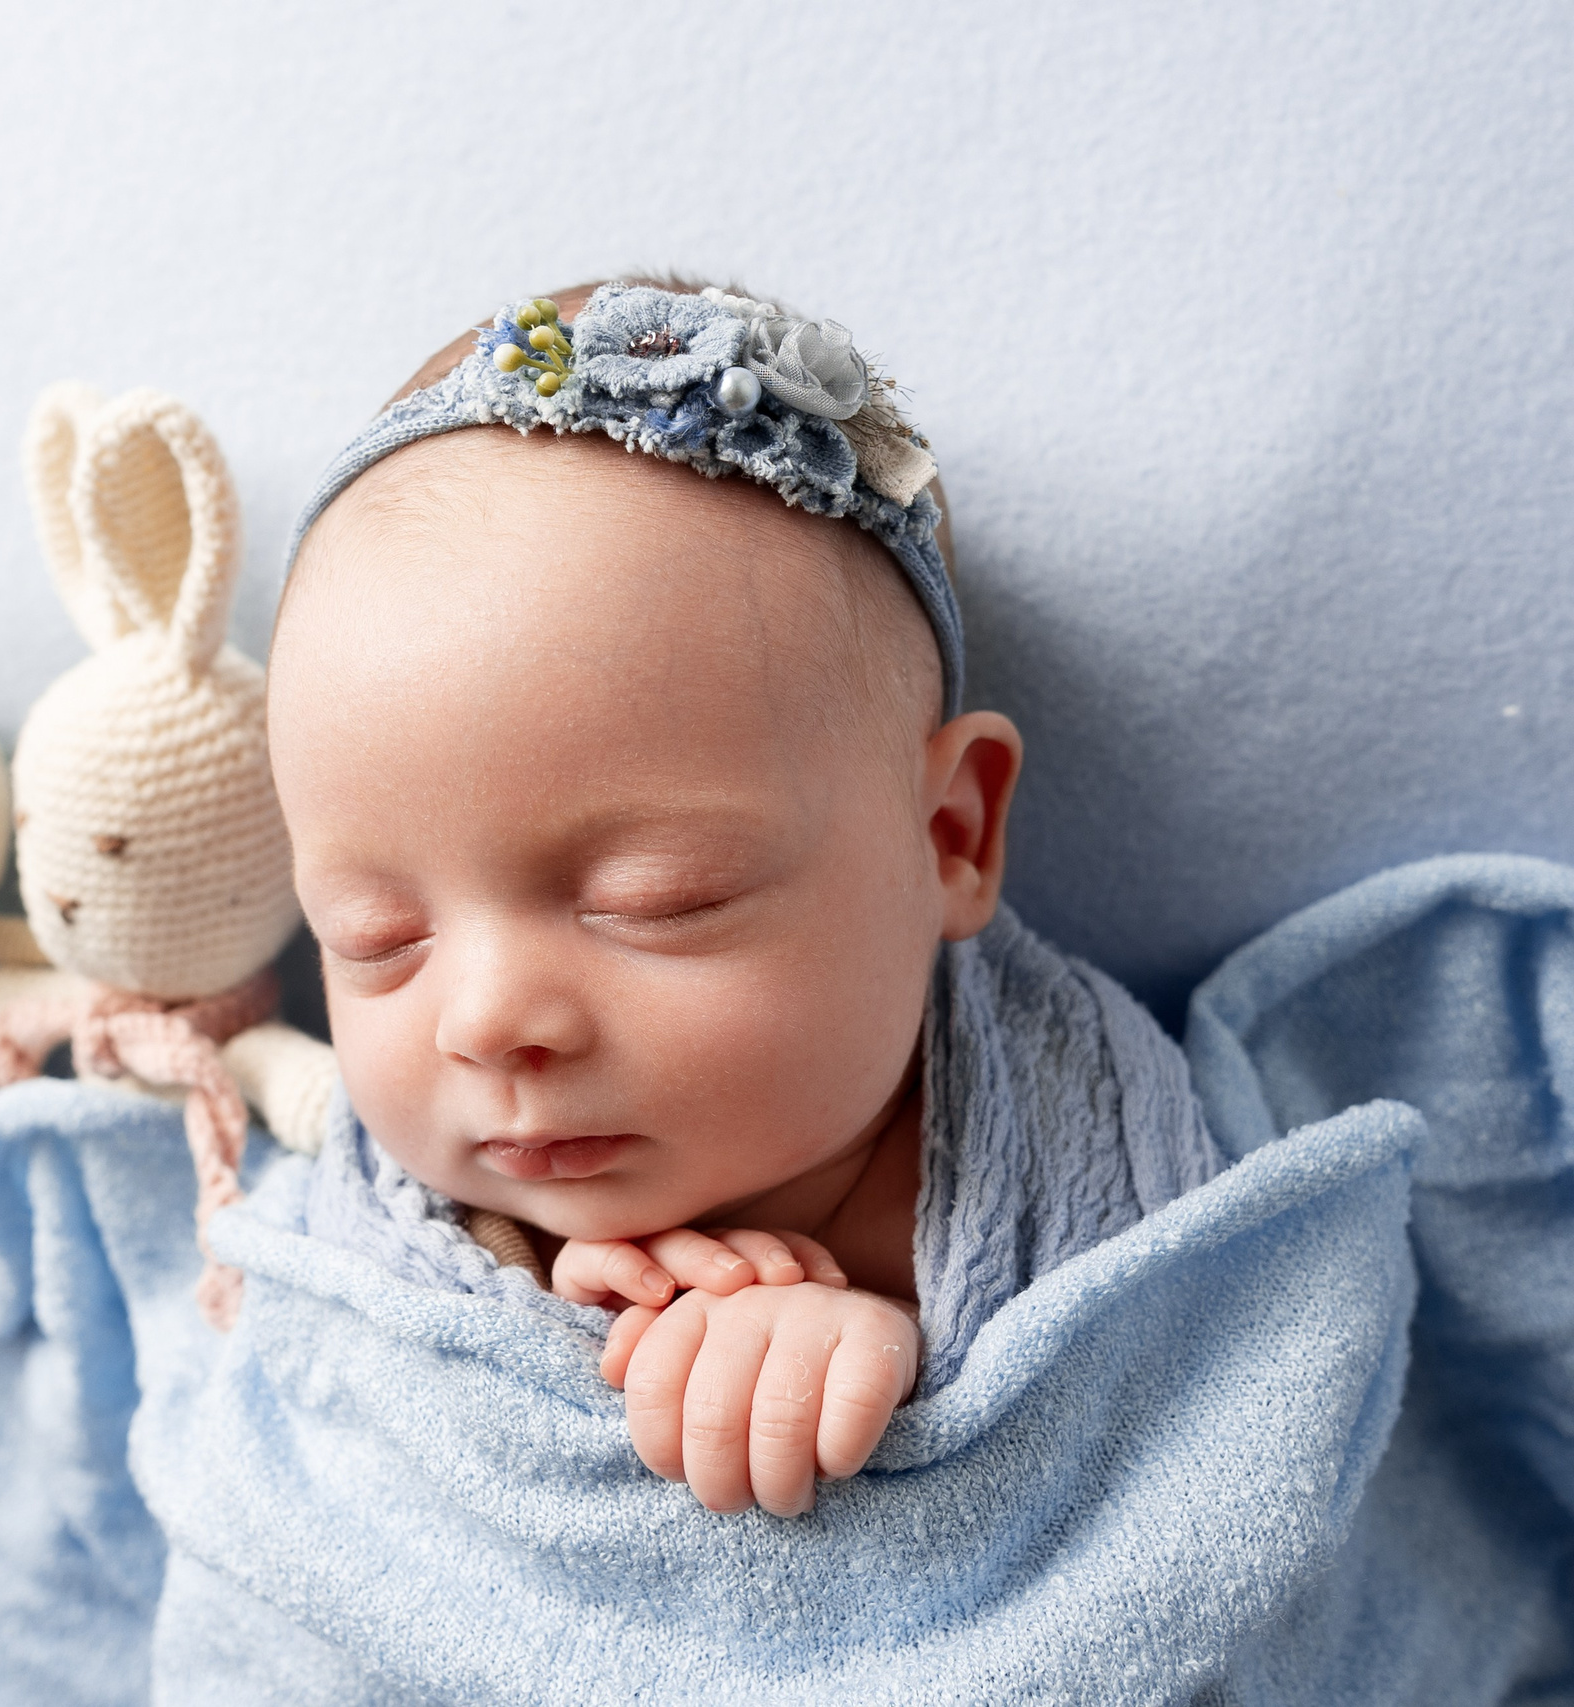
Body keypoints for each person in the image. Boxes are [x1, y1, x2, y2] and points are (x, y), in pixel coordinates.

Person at [266, 280, 1224, 1518]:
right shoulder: (414, 1231)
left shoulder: (1057, 1176)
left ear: (948, 835)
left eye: (656, 901)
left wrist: (869, 1349)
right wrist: (528, 1275)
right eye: (374, 938)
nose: (490, 1022)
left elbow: (1163, 1461)